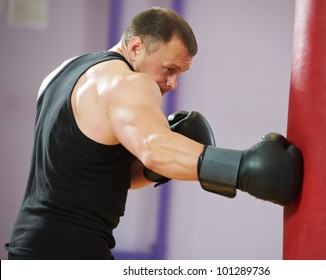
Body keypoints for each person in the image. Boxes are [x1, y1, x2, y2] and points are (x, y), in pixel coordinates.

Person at [6, 7, 303, 260]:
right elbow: (154, 147)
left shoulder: (62, 73)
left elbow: (104, 171)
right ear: (136, 47)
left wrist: (154, 172)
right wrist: (247, 169)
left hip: (28, 247)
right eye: (169, 69)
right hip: (71, 252)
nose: (172, 83)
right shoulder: (129, 82)